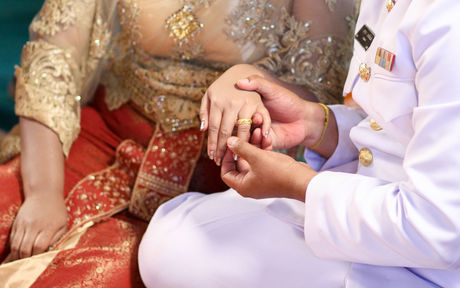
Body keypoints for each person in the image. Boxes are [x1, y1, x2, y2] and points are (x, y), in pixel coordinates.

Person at [138, 0, 460, 287]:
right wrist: (317, 124)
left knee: (174, 254)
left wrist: (298, 184)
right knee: (175, 236)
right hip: (372, 204)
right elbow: (397, 130)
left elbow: (442, 232)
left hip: (434, 267)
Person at [0, 0, 357, 286]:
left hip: (220, 178)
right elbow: (53, 59)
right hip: (103, 137)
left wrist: (253, 82)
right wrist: (44, 191)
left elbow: (320, 96)